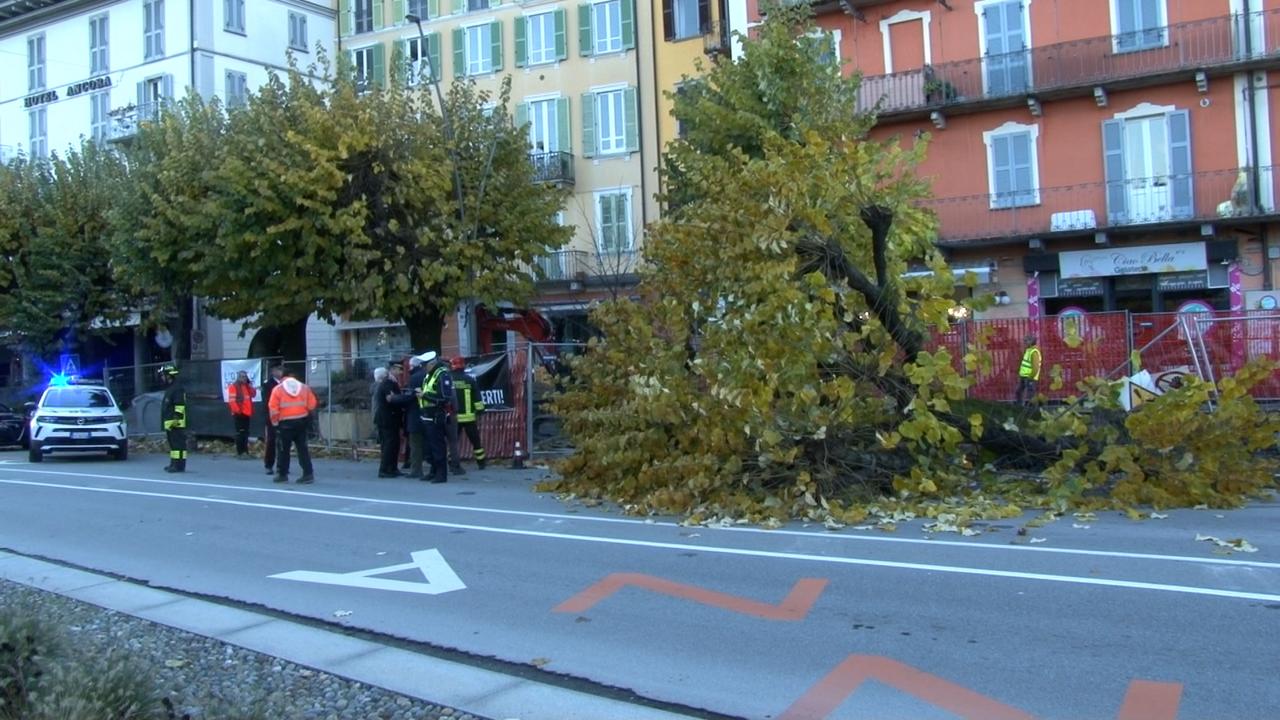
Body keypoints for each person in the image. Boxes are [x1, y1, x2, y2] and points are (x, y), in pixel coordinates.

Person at [268, 369, 318, 484]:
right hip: (301, 421)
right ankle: (308, 473)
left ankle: (282, 474)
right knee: (302, 449)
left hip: (285, 424)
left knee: (283, 450)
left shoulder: (278, 389)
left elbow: (273, 408)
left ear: (283, 378)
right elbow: (312, 405)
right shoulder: (304, 388)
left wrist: (275, 424)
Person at [416, 351, 453, 484]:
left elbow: (444, 398)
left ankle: (441, 474)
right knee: (429, 447)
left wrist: (423, 396)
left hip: (436, 415)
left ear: (432, 363)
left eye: (424, 365)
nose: (423, 367)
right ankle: (433, 471)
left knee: (438, 446)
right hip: (427, 415)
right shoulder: (429, 375)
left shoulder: (442, 374)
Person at [448, 356, 486, 471]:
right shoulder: (470, 379)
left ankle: (452, 462)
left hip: (454, 418)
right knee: (476, 441)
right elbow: (477, 398)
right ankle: (481, 462)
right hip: (469, 417)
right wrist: (480, 410)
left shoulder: (449, 379)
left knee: (453, 442)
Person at [397, 354, 430, 479]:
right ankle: (434, 468)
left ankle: (416, 470)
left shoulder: (415, 377)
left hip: (415, 415)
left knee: (415, 444)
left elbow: (410, 397)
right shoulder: (426, 375)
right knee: (429, 443)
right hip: (427, 414)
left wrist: (396, 399)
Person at [373, 363, 406, 478]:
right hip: (387, 418)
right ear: (391, 370)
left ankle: (392, 468)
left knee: (394, 443)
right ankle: (384, 469)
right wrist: (403, 399)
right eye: (399, 369)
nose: (401, 371)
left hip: (391, 418)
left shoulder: (392, 382)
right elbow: (390, 398)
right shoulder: (387, 383)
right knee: (389, 444)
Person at [159, 364, 187, 473]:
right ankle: (174, 463)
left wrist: (176, 418)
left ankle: (178, 465)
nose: (162, 378)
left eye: (163, 375)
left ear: (169, 376)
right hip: (171, 423)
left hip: (176, 422)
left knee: (178, 445)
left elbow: (180, 405)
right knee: (173, 445)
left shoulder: (177, 388)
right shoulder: (171, 388)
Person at [226, 370, 256, 458]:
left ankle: (245, 452)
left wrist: (250, 386)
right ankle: (240, 452)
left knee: (245, 433)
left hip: (247, 413)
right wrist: (237, 411)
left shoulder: (247, 386)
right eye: (242, 376)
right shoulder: (233, 386)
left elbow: (253, 394)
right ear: (238, 377)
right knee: (240, 433)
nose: (244, 378)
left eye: (245, 376)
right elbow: (232, 401)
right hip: (239, 413)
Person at [261, 364, 284, 475]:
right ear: (273, 371)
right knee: (271, 441)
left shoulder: (285, 383)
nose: (281, 372)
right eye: (278, 369)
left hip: (285, 417)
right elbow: (267, 403)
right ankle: (269, 465)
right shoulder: (268, 385)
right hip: (272, 417)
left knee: (283, 442)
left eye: (281, 369)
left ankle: (282, 466)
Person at [1016, 334, 1042, 407]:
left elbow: (1035, 367)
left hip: (1029, 377)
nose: (1024, 343)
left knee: (1031, 394)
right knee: (1019, 392)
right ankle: (1019, 407)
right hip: (1024, 376)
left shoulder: (1034, 352)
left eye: (1026, 341)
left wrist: (1031, 377)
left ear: (1031, 341)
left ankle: (1035, 410)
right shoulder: (1029, 350)